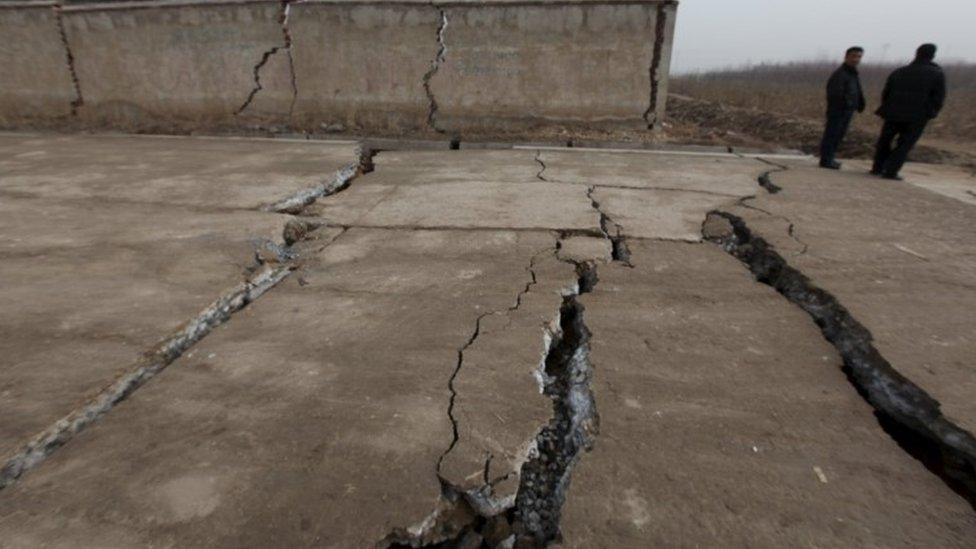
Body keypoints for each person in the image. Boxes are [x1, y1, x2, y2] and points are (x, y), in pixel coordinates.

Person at [872, 44, 947, 180]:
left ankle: (877, 167)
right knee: (904, 144)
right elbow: (938, 97)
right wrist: (931, 112)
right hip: (917, 116)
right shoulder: (937, 74)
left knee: (885, 140)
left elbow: (886, 93)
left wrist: (887, 107)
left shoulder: (899, 71)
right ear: (932, 55)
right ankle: (891, 171)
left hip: (893, 113)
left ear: (916, 53)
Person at [819, 47, 866, 169]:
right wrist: (845, 105)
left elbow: (856, 90)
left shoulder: (852, 73)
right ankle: (826, 160)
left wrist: (859, 103)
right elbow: (835, 94)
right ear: (846, 57)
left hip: (847, 110)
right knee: (832, 134)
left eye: (859, 56)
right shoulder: (841, 74)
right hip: (839, 110)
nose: (856, 59)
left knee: (838, 135)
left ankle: (830, 158)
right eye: (854, 56)